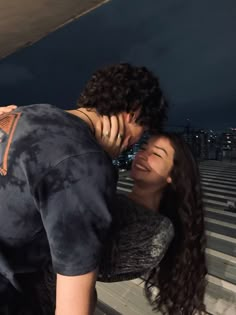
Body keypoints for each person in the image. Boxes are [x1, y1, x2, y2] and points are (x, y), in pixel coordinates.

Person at [0, 63, 168, 315]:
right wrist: (98, 163)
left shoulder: (25, 113)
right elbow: (73, 308)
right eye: (139, 136)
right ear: (132, 114)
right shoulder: (85, 166)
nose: (132, 144)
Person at [98, 132, 207, 315]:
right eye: (142, 148)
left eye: (156, 154)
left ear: (172, 175)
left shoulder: (156, 231)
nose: (142, 155)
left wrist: (99, 160)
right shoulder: (114, 197)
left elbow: (84, 257)